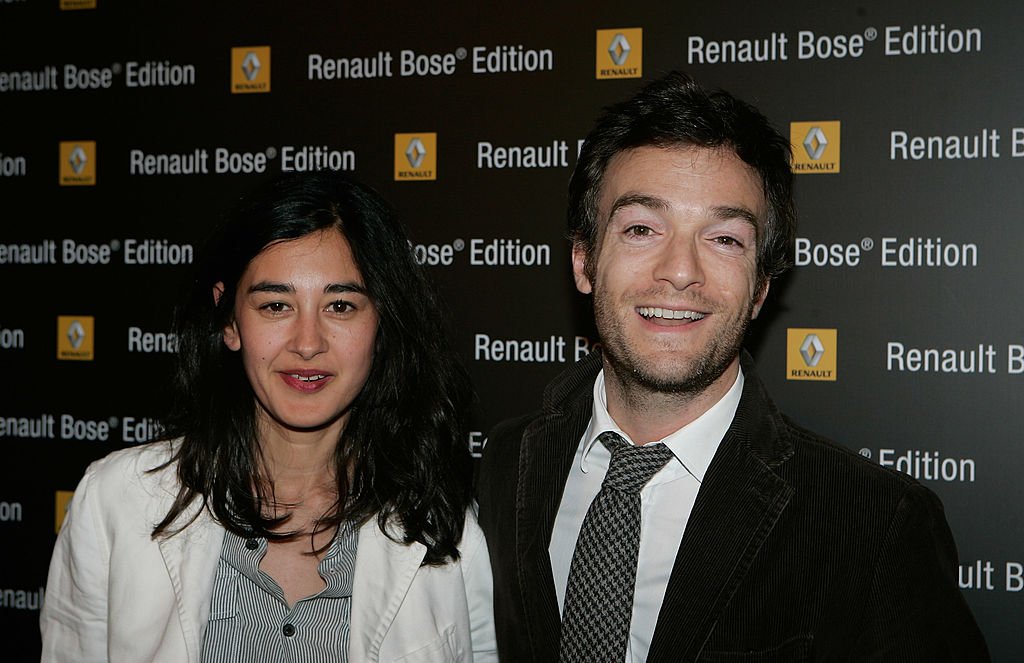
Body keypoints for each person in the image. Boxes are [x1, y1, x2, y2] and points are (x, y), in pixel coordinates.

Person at [476, 71, 988, 662]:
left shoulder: (874, 527)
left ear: (761, 290)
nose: (681, 271)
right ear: (585, 261)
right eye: (642, 229)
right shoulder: (507, 463)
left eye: (724, 240)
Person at [41, 170, 497, 662]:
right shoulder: (114, 504)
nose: (307, 343)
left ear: (380, 322)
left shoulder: (447, 537)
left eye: (340, 305)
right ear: (230, 320)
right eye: (276, 305)